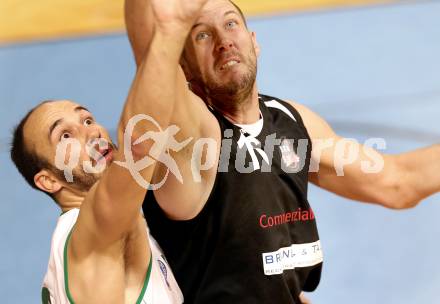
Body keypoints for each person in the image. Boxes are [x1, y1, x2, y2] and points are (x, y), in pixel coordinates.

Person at [124, 0, 440, 303]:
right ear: (183, 66)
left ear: (253, 41)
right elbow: (150, 60)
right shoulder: (192, 135)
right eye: (202, 34)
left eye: (231, 24)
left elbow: (397, 182)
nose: (224, 41)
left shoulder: (289, 121)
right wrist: (167, 28)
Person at [9, 1, 211, 302]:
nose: (92, 131)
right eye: (65, 135)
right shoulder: (90, 232)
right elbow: (141, 147)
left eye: (87, 119)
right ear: (49, 180)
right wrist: (172, 28)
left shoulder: (105, 233)